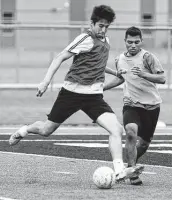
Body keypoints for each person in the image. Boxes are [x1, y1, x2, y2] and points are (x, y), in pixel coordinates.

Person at [9, 6, 143, 182]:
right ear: (92, 23)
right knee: (46, 129)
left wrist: (115, 73)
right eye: (100, 26)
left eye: (106, 26)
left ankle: (118, 170)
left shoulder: (106, 40)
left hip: (94, 96)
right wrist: (45, 81)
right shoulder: (85, 38)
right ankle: (24, 130)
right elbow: (60, 57)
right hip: (71, 93)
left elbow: (98, 63)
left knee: (116, 129)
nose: (103, 30)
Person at [104, 26, 166, 185]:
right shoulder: (119, 59)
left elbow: (162, 79)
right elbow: (121, 79)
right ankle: (132, 173)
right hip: (131, 103)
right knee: (131, 132)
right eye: (129, 42)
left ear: (141, 41)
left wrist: (143, 74)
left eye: (136, 42)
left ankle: (129, 165)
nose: (133, 45)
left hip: (152, 106)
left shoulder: (148, 57)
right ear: (125, 41)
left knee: (144, 144)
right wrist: (102, 88)